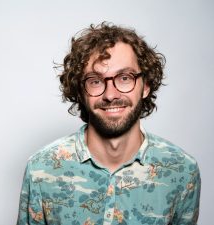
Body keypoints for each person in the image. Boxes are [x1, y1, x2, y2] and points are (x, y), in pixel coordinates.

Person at [16, 22, 201, 225]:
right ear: (80, 91)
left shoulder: (182, 170)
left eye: (124, 78)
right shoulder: (42, 168)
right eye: (95, 81)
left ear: (146, 86)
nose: (110, 95)